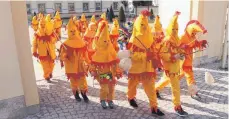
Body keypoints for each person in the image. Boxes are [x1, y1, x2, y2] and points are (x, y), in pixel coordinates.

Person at [156, 20, 208, 99]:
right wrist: (184, 47)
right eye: (193, 32)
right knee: (169, 79)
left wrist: (201, 43)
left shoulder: (192, 37)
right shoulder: (182, 37)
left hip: (188, 61)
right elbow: (177, 48)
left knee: (188, 76)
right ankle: (155, 89)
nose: (194, 34)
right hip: (180, 62)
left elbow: (194, 44)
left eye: (195, 33)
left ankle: (193, 91)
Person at [126, 10, 164, 116]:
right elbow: (132, 55)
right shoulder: (133, 40)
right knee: (132, 85)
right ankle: (131, 97)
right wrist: (144, 55)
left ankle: (154, 107)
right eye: (141, 25)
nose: (144, 27)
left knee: (151, 88)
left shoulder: (150, 38)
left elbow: (155, 50)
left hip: (148, 69)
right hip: (136, 69)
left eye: (145, 25)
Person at [156, 11, 188, 116]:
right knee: (176, 87)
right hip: (170, 68)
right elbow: (162, 54)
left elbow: (179, 50)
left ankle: (155, 89)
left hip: (175, 67)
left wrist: (182, 53)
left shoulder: (177, 39)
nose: (175, 31)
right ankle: (177, 106)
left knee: (165, 81)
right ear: (170, 28)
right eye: (173, 29)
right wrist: (174, 57)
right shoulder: (167, 40)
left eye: (176, 29)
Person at [89, 19, 122, 109]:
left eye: (108, 41)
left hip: (111, 73)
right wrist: (92, 70)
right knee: (104, 88)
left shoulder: (111, 50)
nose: (107, 43)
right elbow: (93, 63)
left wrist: (118, 71)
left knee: (111, 87)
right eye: (105, 42)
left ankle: (110, 100)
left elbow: (116, 62)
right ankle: (103, 99)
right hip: (103, 73)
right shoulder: (98, 52)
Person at [59, 17, 90, 102]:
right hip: (71, 65)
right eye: (71, 31)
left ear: (76, 31)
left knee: (82, 80)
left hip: (80, 65)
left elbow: (85, 54)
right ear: (68, 32)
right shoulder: (65, 44)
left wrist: (89, 63)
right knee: (73, 81)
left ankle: (84, 94)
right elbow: (61, 56)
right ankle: (76, 94)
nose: (73, 32)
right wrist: (64, 56)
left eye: (74, 31)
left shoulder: (81, 42)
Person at [32, 16, 56, 83]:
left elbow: (54, 41)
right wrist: (34, 51)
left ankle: (50, 72)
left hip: (51, 52)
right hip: (42, 53)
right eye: (41, 24)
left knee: (51, 65)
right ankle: (46, 76)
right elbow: (34, 44)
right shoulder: (37, 34)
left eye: (44, 24)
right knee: (45, 66)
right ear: (39, 25)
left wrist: (51, 36)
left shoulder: (50, 32)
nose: (42, 26)